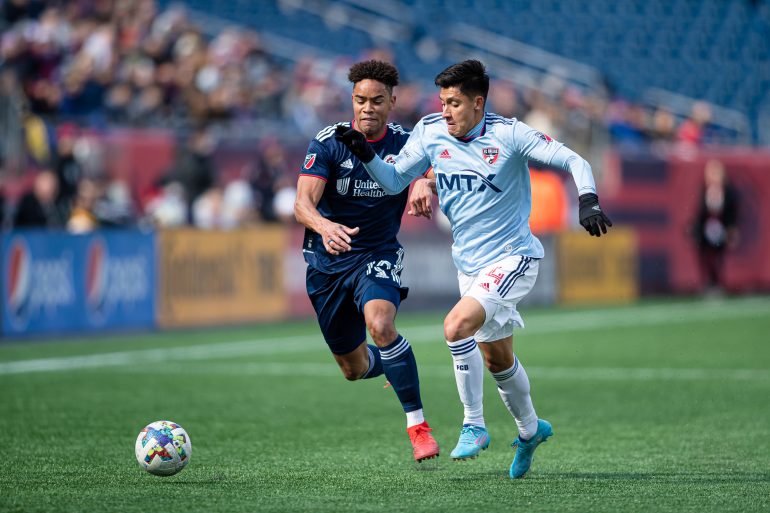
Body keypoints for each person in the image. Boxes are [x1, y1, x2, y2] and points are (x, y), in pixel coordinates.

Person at [335, 59, 611, 478]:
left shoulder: (510, 134)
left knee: (454, 326)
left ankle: (473, 425)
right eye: (442, 102)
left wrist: (587, 198)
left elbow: (576, 161)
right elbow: (393, 182)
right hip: (470, 266)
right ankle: (531, 430)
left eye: (455, 104)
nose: (445, 111)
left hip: (515, 257)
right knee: (498, 359)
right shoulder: (429, 131)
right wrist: (367, 156)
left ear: (478, 103)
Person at [293, 60, 439, 462]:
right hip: (327, 265)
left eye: (377, 100)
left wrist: (424, 182)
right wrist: (324, 226)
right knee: (353, 369)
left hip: (376, 254)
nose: (367, 108)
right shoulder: (328, 142)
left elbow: (435, 166)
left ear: (393, 101)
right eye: (360, 100)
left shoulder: (407, 142)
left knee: (380, 323)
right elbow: (302, 204)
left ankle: (419, 429)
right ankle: (390, 364)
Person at [693, 159, 739, 294]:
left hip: (721, 229)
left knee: (719, 256)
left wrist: (731, 229)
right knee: (705, 256)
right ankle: (707, 282)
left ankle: (719, 283)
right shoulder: (704, 189)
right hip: (706, 230)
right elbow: (700, 212)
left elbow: (732, 211)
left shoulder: (728, 191)